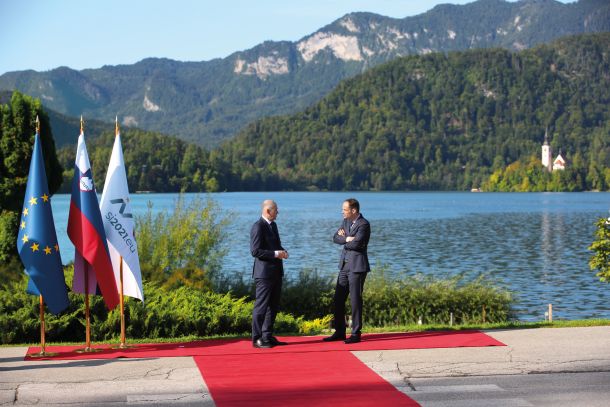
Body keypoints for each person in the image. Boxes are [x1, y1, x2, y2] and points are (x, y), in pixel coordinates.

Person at [324, 198, 370, 344]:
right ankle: (339, 332)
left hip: (357, 267)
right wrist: (347, 239)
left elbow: (358, 244)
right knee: (338, 299)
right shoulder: (346, 222)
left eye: (344, 209)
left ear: (353, 210)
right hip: (344, 266)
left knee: (355, 301)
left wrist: (346, 239)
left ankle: (356, 333)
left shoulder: (364, 224)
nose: (342, 211)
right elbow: (335, 238)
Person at [250, 199, 289, 348]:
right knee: (261, 306)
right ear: (268, 211)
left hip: (276, 272)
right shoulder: (258, 226)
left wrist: (283, 252)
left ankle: (267, 335)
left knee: (273, 306)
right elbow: (255, 251)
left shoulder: (273, 225)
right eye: (276, 210)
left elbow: (275, 246)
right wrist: (275, 254)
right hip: (264, 274)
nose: (278, 212)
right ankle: (257, 338)